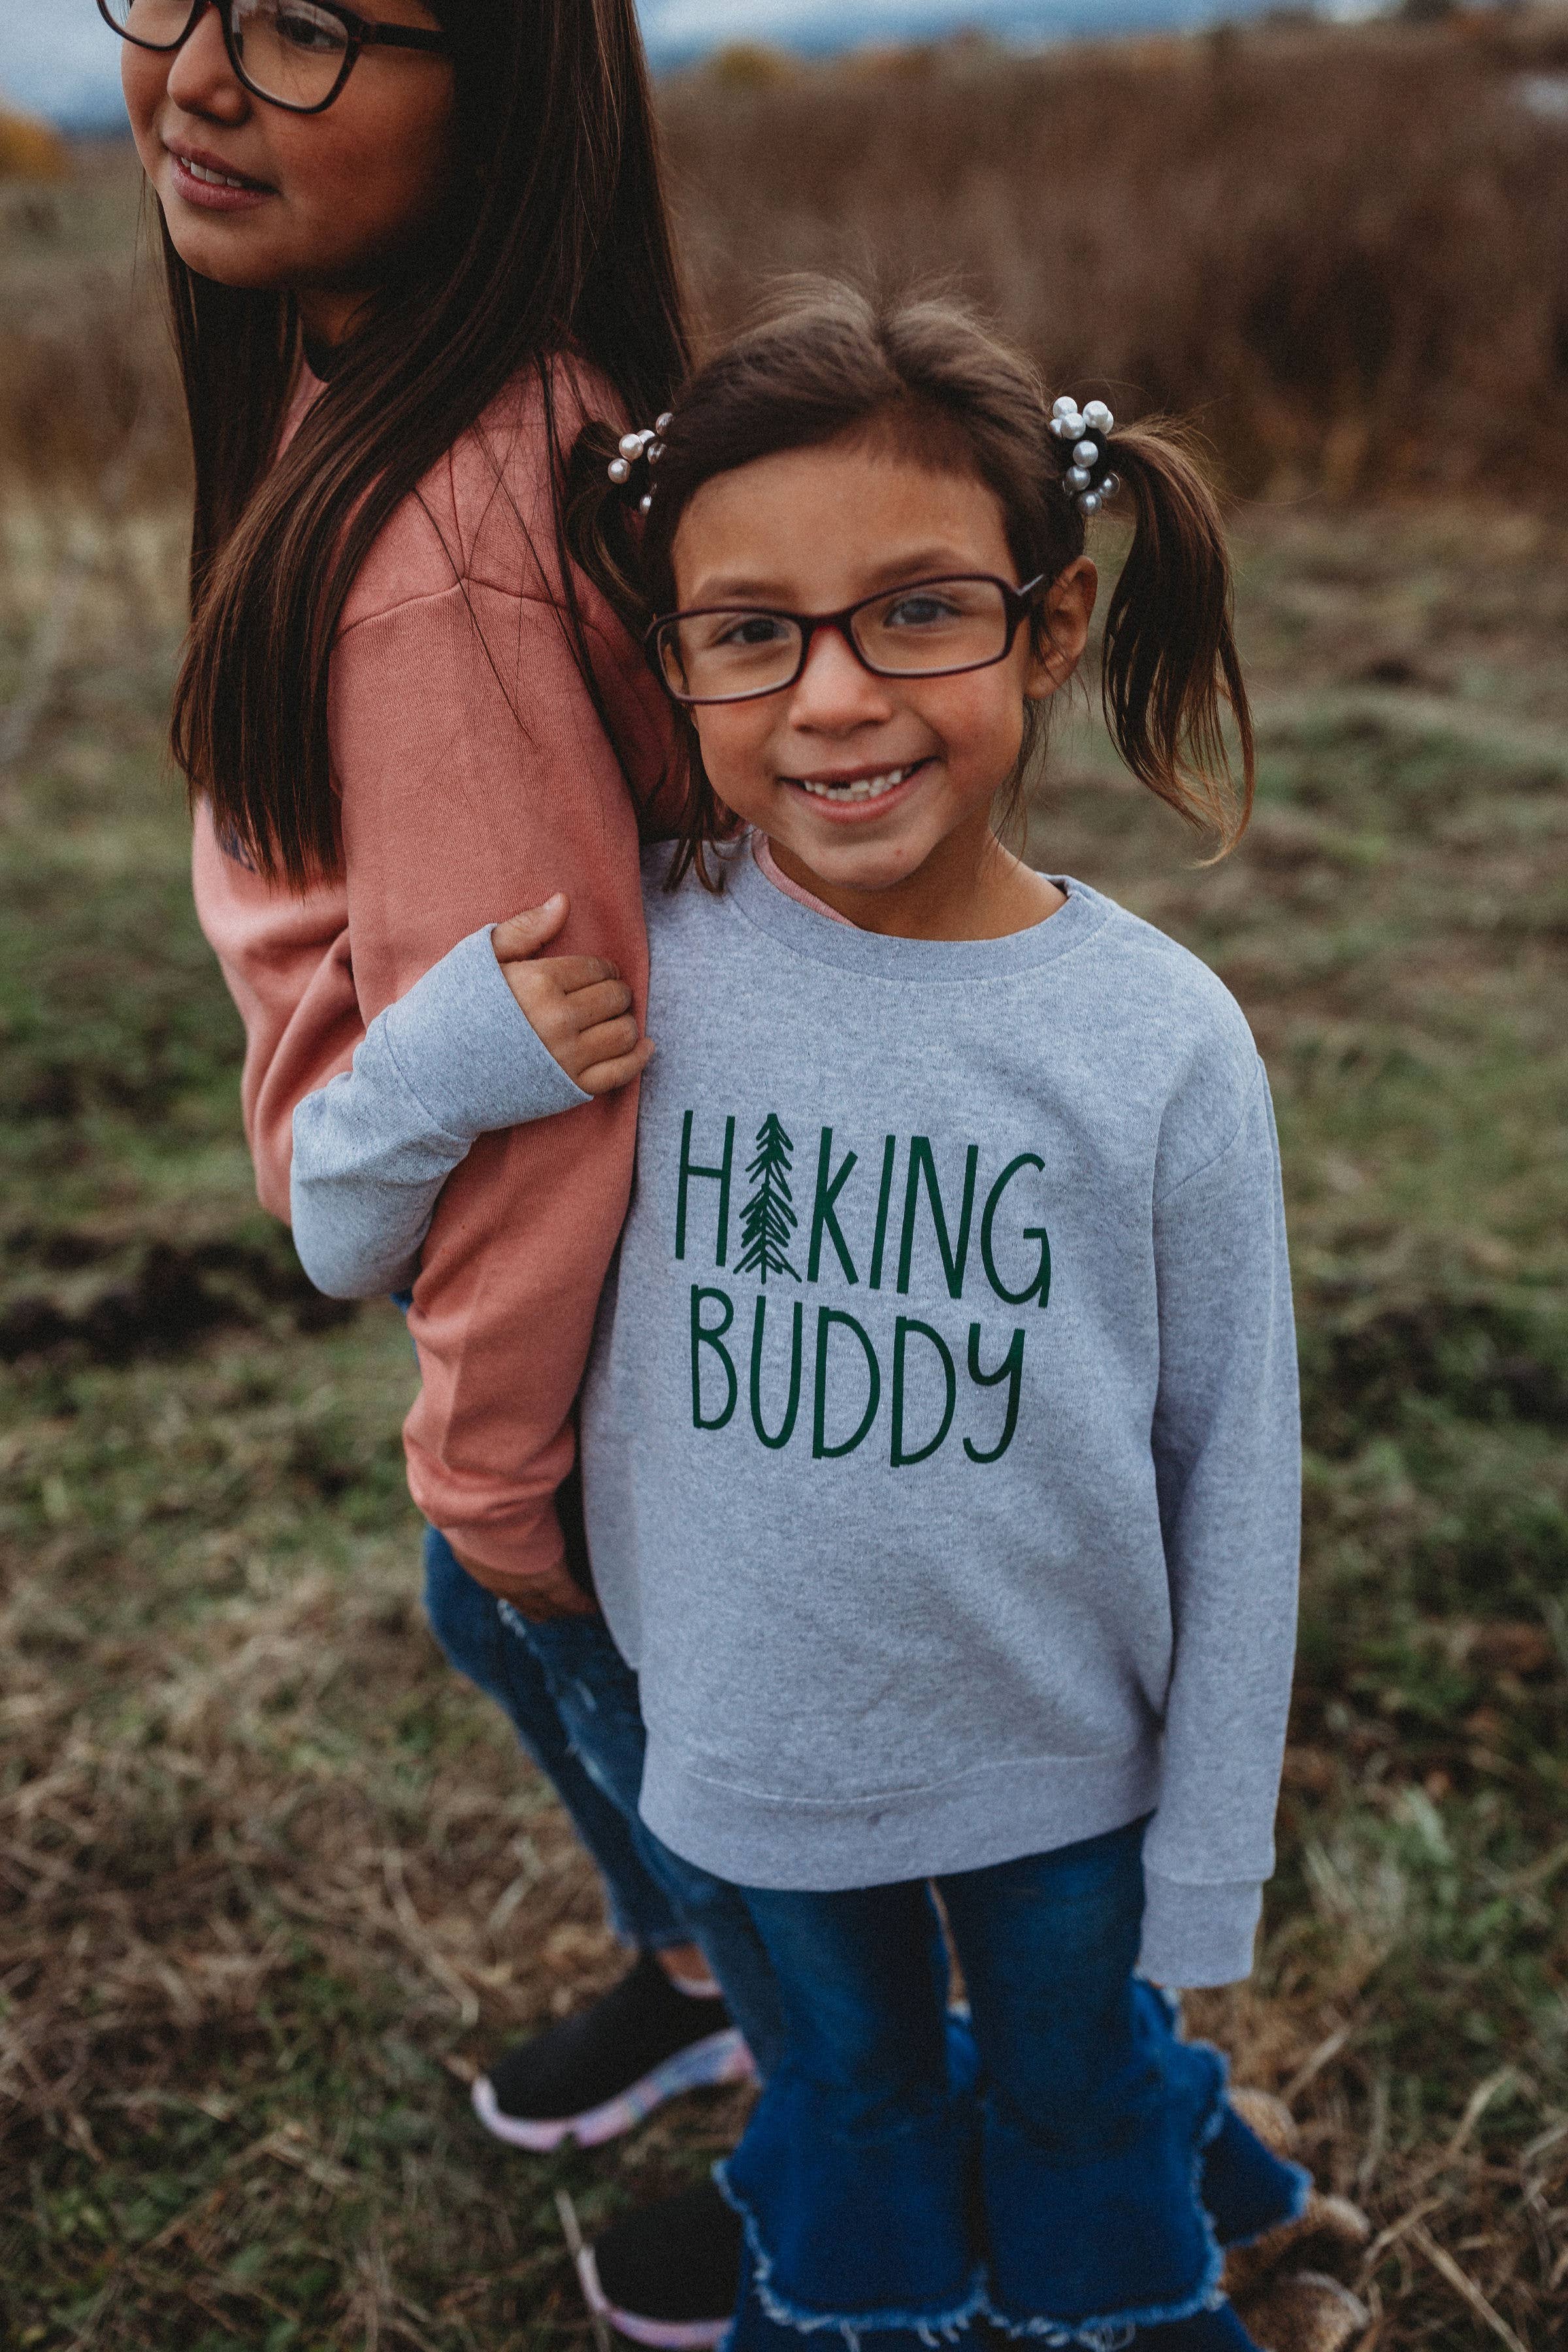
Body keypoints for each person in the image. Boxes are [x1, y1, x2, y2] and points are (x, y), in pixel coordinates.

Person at [289, 283, 1314, 2351]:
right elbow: (335, 1223)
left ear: (1049, 620)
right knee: (853, 2106)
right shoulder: (639, 957)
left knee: (1075, 2106)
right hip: (745, 1763)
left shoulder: (1158, 1044)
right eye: (751, 634)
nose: (833, 699)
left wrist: (1206, 1862)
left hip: (1061, 1782)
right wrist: (450, 1054)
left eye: (917, 611)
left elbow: (1236, 1480)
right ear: (674, 663)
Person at [103, 0, 788, 2327]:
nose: (196, 73)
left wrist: (505, 1474)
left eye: (303, 27)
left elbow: (551, 1073)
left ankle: (860, 2113)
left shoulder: (443, 551)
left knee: (626, 1700)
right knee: (477, 1628)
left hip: (581, 1359)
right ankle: (707, 1975)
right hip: (570, 1318)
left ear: (503, 92)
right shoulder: (400, 385)